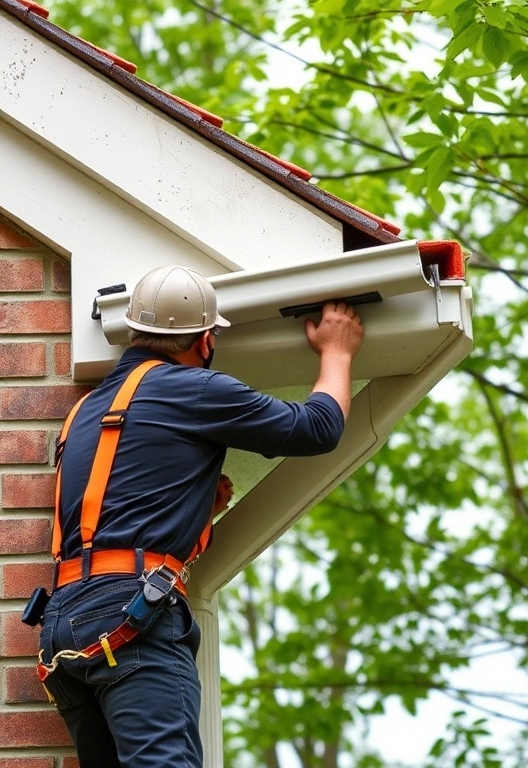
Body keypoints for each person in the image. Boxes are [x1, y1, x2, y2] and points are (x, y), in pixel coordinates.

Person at [35, 264, 363, 768]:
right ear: (206, 340)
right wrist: (337, 351)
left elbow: (111, 508)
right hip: (131, 614)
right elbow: (316, 428)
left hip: (63, 622)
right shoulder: (194, 389)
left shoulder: (86, 410)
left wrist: (194, 503)